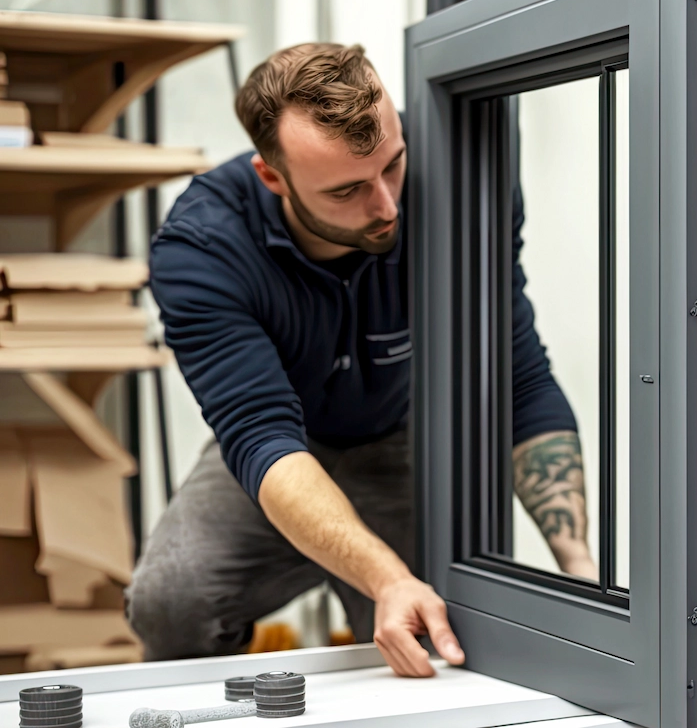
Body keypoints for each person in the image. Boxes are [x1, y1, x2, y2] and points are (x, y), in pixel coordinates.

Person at [125, 43, 595, 677]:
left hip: (400, 440)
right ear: (273, 177)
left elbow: (516, 369)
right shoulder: (202, 249)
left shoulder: (461, 176)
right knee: (170, 604)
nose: (387, 207)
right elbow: (261, 437)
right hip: (284, 450)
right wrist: (387, 576)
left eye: (393, 167)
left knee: (437, 637)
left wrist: (583, 571)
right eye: (347, 190)